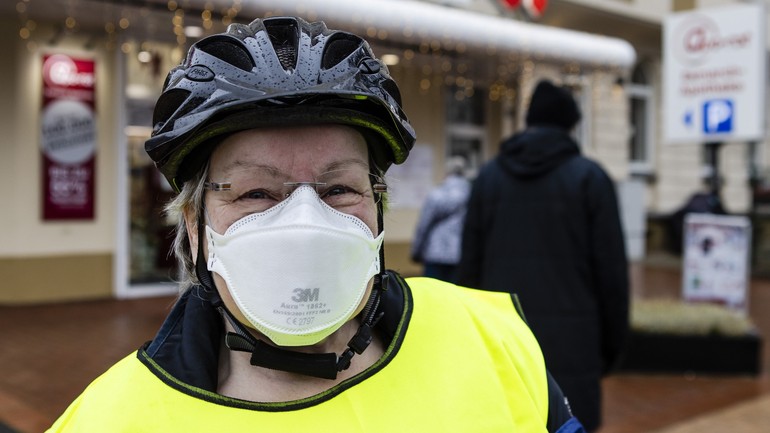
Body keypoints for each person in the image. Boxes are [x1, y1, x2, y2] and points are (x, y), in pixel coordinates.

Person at [47, 18, 585, 432]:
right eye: (256, 193)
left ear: (376, 209)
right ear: (195, 227)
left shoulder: (490, 341)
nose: (305, 224)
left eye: (338, 190)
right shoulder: (111, 420)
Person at [457, 79, 629, 432]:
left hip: (504, 341)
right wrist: (612, 349)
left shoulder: (489, 177)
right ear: (571, 124)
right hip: (575, 347)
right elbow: (612, 276)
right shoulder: (591, 179)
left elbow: (468, 271)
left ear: (530, 121)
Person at [410, 155, 470, 283]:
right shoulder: (472, 194)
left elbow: (424, 224)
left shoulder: (437, 194)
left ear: (447, 173)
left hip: (435, 253)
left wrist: (416, 251)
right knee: (456, 291)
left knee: (432, 289)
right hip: (461, 254)